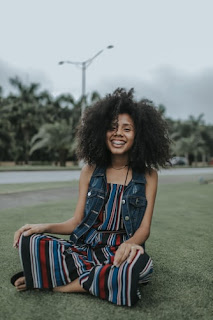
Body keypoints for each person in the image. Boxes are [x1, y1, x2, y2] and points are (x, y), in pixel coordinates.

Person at [11, 88, 171, 307]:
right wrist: (42, 226)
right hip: (85, 248)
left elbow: (144, 229)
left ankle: (55, 283)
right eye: (112, 128)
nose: (118, 134)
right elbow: (76, 222)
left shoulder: (149, 175)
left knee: (142, 267)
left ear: (139, 135)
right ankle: (100, 280)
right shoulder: (89, 170)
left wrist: (131, 244)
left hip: (120, 251)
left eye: (127, 129)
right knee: (30, 240)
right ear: (101, 132)